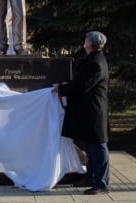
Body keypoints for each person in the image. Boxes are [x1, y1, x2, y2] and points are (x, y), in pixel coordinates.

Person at [52, 31, 110, 195]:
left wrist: (61, 89)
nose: (83, 41)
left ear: (90, 43)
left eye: (85, 39)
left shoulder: (96, 62)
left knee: (98, 146)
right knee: (90, 146)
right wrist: (63, 85)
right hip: (88, 110)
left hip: (94, 110)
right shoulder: (92, 59)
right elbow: (79, 82)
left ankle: (102, 183)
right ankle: (90, 177)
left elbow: (82, 86)